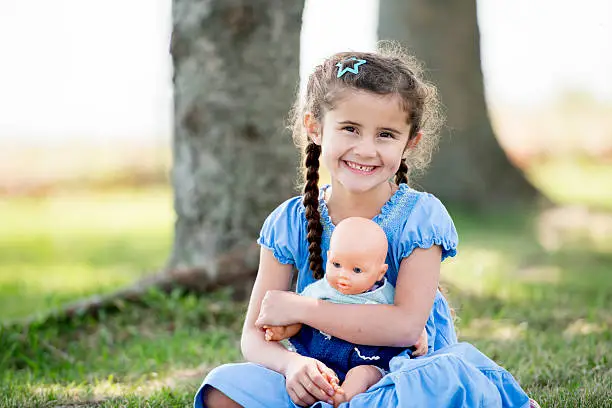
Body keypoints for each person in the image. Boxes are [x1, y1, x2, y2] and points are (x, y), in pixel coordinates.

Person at [194, 44, 538, 408]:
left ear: (410, 142)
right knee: (222, 387)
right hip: (322, 375)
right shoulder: (289, 221)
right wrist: (293, 364)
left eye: (386, 135)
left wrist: (300, 308)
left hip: (402, 374)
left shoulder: (420, 217)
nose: (365, 149)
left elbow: (405, 327)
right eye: (350, 129)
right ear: (315, 128)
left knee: (443, 379)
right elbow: (253, 335)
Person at [263, 217, 428, 407]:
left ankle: (342, 397)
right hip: (322, 356)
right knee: (318, 372)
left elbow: (405, 319)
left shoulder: (385, 294)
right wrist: (284, 330)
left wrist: (418, 330)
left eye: (356, 270)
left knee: (363, 374)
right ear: (329, 256)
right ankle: (327, 389)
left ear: (380, 273)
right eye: (336, 264)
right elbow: (299, 317)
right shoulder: (319, 290)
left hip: (367, 359)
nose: (343, 275)